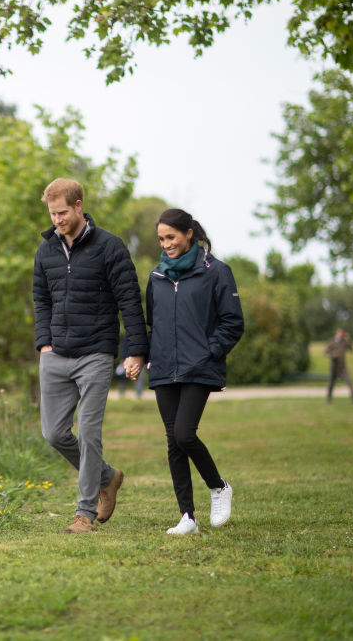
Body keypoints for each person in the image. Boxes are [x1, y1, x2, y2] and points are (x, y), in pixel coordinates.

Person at [33, 178, 148, 534]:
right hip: (56, 353)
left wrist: (136, 351)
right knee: (53, 433)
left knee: (89, 431)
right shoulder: (47, 249)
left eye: (63, 212)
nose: (57, 220)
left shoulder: (110, 247)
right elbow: (42, 299)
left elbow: (130, 300)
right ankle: (107, 476)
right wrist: (44, 343)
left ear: (80, 205)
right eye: (52, 214)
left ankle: (84, 513)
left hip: (96, 352)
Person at [145, 208, 244, 536]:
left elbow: (233, 322)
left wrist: (208, 352)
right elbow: (152, 322)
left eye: (171, 237)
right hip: (163, 368)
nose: (166, 244)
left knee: (185, 434)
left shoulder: (217, 272)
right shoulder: (157, 277)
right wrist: (145, 355)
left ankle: (219, 487)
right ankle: (187, 516)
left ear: (189, 233)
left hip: (199, 366)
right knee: (174, 441)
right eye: (161, 239)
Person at [325, 328, 353, 404]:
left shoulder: (344, 342)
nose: (341, 335)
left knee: (349, 382)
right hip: (334, 366)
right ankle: (328, 399)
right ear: (337, 333)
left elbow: (351, 349)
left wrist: (348, 339)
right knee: (331, 383)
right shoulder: (331, 341)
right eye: (340, 333)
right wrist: (333, 354)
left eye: (342, 333)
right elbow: (326, 352)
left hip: (343, 367)